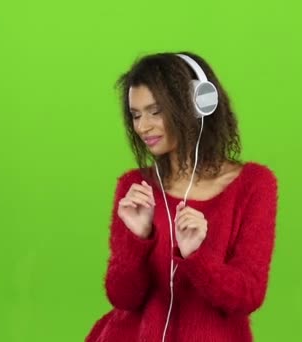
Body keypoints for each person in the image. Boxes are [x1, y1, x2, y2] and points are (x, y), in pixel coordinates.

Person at [86, 51, 278, 342]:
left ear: (196, 104)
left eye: (155, 111)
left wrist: (197, 258)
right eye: (136, 115)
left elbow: (248, 296)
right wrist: (138, 239)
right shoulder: (135, 186)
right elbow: (123, 298)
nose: (142, 127)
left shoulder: (253, 185)